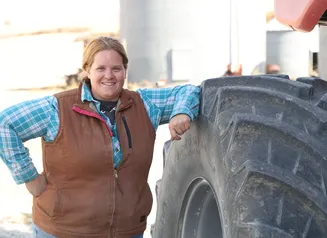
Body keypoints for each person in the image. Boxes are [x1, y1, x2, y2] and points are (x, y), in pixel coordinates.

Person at [0, 36, 200, 238]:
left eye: (116, 68)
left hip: (127, 231)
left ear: (125, 71)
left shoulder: (145, 105)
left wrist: (181, 112)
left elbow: (190, 91)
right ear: (87, 71)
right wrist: (29, 177)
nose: (109, 76)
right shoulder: (58, 109)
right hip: (64, 231)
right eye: (100, 69)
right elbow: (5, 123)